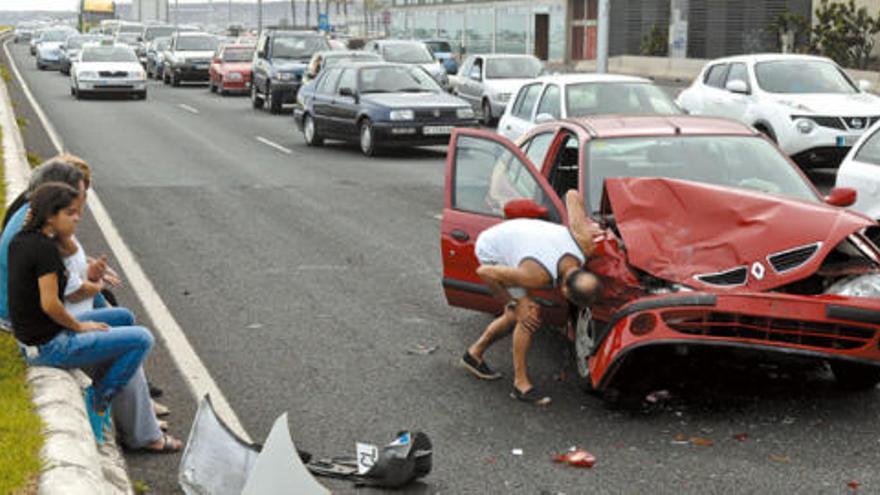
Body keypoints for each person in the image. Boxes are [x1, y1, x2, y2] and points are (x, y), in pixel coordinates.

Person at [9, 182, 154, 444]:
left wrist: (70, 244)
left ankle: (105, 387)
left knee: (123, 317)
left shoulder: (26, 239)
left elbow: (68, 286)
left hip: (35, 337)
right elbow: (50, 304)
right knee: (142, 338)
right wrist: (78, 326)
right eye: (70, 213)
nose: (77, 217)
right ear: (50, 217)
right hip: (50, 346)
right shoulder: (44, 250)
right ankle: (99, 400)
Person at [460, 190, 602, 405]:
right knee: (528, 315)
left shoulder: (585, 242)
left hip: (525, 236)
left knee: (517, 313)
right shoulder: (535, 276)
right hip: (492, 248)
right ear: (563, 292)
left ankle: (473, 355)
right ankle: (520, 384)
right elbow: (485, 272)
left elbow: (572, 194)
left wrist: (589, 223)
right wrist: (512, 302)